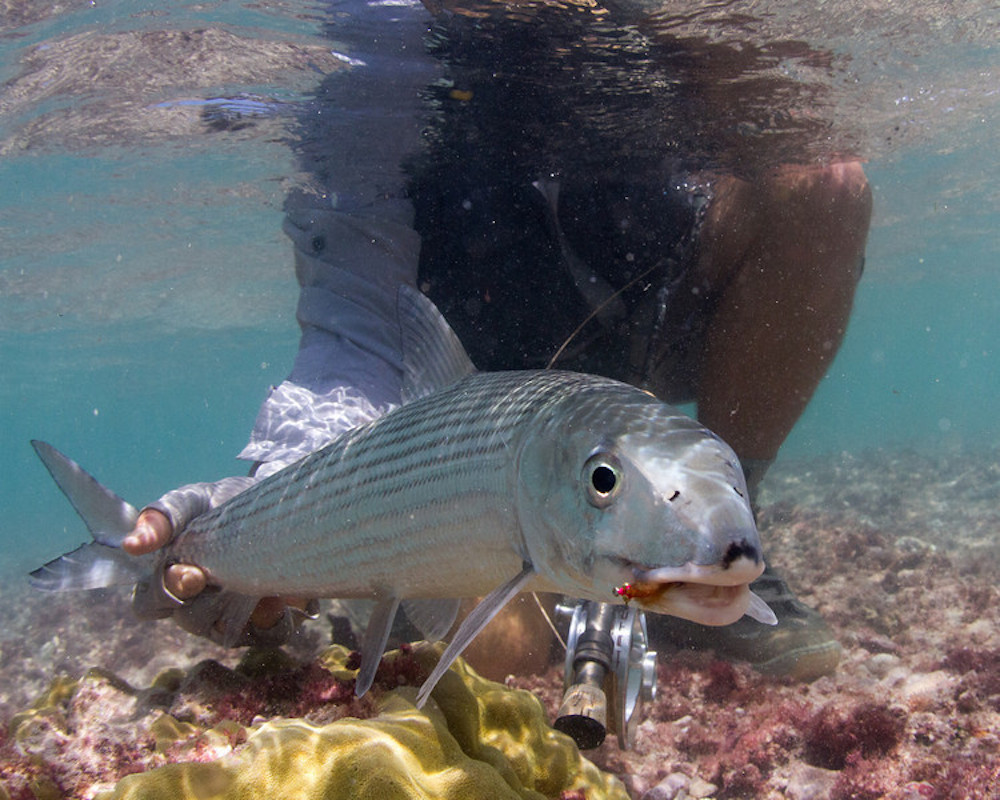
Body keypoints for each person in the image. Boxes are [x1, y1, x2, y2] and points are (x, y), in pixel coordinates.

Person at [122, 0, 872, 681]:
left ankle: (698, 543)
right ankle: (588, 564)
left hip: (648, 339)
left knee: (823, 188)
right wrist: (266, 504)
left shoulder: (684, 16)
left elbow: (771, 121)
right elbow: (358, 330)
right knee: (499, 654)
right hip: (464, 422)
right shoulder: (382, 40)